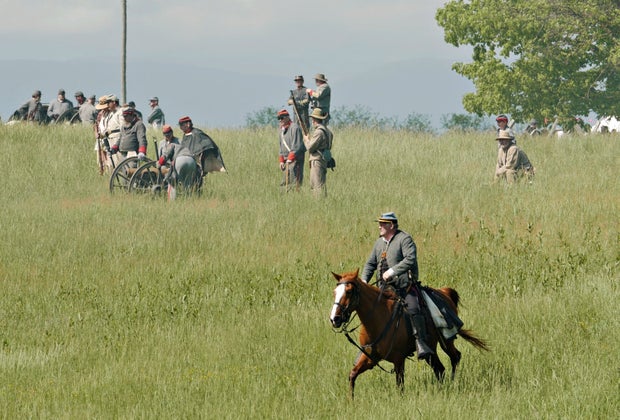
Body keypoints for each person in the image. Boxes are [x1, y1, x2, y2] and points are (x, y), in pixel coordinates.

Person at [361, 212, 434, 361]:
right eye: (379, 223)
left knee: (413, 308)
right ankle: (367, 347)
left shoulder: (404, 239)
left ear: (391, 225)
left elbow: (410, 259)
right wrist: (363, 281)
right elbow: (370, 264)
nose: (379, 226)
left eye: (382, 223)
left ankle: (420, 343)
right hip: (383, 290)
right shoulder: (379, 243)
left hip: (404, 288)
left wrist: (392, 271)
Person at [178, 115, 227, 180]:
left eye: (182, 125)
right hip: (187, 160)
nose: (180, 127)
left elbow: (207, 145)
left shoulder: (197, 133)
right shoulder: (185, 135)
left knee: (197, 179)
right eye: (180, 125)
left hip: (198, 163)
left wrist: (199, 156)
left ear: (188, 124)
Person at [157, 124, 198, 200]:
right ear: (163, 135)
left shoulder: (176, 142)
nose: (167, 136)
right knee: (187, 184)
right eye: (166, 134)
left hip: (178, 161)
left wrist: (160, 162)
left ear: (172, 133)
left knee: (172, 181)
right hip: (190, 161)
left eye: (169, 134)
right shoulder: (162, 143)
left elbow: (166, 154)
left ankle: (172, 201)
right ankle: (188, 200)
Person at [302, 108, 333, 197]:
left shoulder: (319, 132)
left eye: (313, 119)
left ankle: (318, 202)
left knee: (317, 186)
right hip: (323, 160)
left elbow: (310, 148)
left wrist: (306, 140)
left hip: (317, 161)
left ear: (314, 120)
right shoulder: (328, 131)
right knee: (321, 184)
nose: (312, 121)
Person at [277, 109, 306, 192]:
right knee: (284, 183)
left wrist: (290, 159)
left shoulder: (295, 128)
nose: (280, 120)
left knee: (295, 183)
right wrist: (281, 161)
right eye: (278, 118)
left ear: (287, 117)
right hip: (287, 161)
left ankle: (295, 197)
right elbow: (281, 146)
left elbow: (296, 146)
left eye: (282, 118)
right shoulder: (281, 130)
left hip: (295, 160)